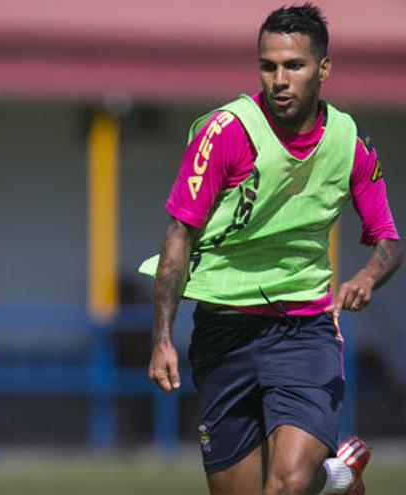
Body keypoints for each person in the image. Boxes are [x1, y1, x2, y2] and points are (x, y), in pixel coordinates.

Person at [140, 4, 401, 495]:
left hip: (303, 330)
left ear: (323, 69)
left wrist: (366, 276)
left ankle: (322, 475)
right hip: (223, 333)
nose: (279, 79)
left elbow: (387, 238)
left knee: (285, 486)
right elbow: (178, 234)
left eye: (294, 66)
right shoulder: (226, 133)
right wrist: (162, 337)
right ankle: (337, 479)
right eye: (268, 66)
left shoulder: (351, 143)